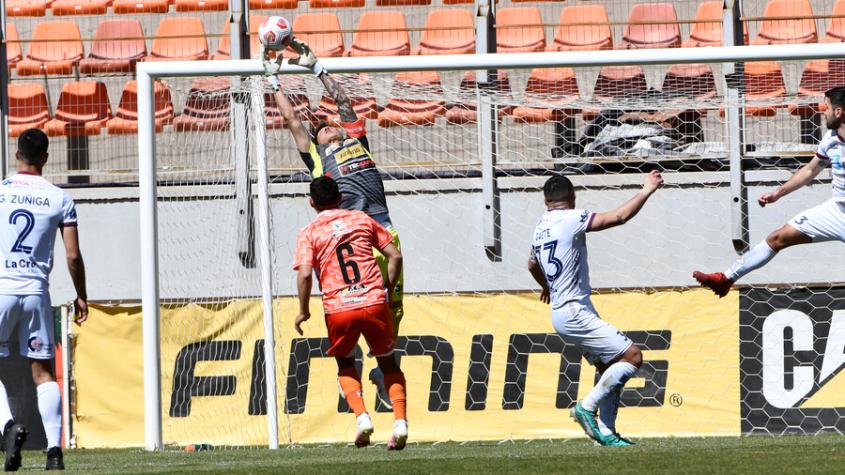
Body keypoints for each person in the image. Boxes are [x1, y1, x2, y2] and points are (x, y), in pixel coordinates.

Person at [528, 171, 663, 446]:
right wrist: (647, 189)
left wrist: (548, 287)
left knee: (610, 366)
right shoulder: (572, 218)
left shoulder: (540, 227)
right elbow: (618, 217)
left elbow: (531, 264)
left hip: (563, 312)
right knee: (633, 358)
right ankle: (585, 408)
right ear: (573, 196)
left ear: (545, 201)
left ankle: (607, 433)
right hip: (575, 310)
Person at [693, 86, 845, 297]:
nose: (823, 111)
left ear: (838, 112)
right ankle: (725, 279)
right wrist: (778, 193)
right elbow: (810, 170)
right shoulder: (831, 138)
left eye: (826, 107)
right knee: (777, 238)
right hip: (836, 211)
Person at [292, 176, 408, 450]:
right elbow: (395, 256)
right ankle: (400, 423)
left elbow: (306, 274)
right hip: (373, 301)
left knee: (345, 363)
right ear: (340, 198)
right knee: (388, 363)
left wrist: (303, 310)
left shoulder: (309, 232)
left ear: (311, 202)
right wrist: (387, 290)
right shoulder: (361, 219)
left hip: (339, 307)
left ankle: (362, 419)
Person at [0, 129, 88, 471]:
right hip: (36, 292)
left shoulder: (2, 192)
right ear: (46, 158)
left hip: (2, 287)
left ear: (17, 155)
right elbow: (73, 256)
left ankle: (9, 427)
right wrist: (81, 295)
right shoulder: (59, 198)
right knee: (43, 372)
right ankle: (54, 452)